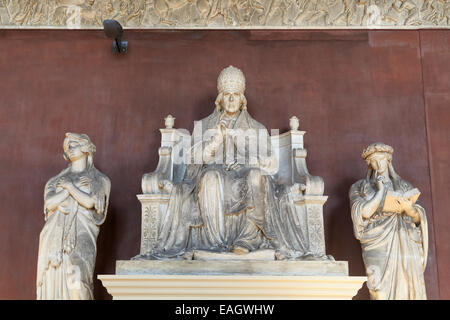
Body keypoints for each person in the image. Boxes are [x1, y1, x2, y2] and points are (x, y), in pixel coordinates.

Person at [349, 142, 428, 299]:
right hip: (377, 241)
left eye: (382, 159)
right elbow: (363, 212)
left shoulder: (404, 186)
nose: (378, 164)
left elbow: (418, 218)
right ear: (369, 164)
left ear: (388, 161)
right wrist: (380, 192)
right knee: (379, 290)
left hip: (404, 237)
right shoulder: (359, 187)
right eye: (374, 160)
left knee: (407, 284)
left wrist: (408, 209)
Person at [37, 133, 110, 299]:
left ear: (86, 147)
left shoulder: (99, 180)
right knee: (56, 279)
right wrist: (71, 188)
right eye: (66, 147)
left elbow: (91, 202)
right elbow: (49, 203)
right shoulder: (54, 181)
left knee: (77, 277)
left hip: (82, 234)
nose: (69, 149)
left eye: (73, 144)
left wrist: (69, 187)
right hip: (54, 237)